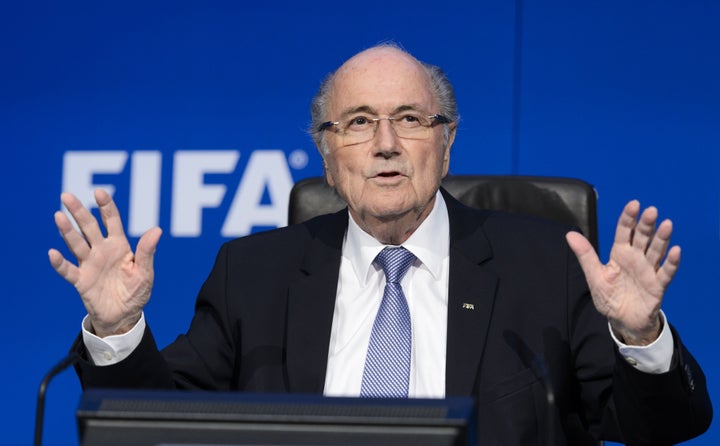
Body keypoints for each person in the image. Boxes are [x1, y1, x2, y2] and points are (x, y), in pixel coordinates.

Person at [49, 44, 711, 445]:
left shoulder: (544, 269)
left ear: (447, 143)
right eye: (360, 123)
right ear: (328, 156)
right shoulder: (252, 275)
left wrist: (642, 336)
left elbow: (661, 427)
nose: (387, 143)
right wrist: (118, 329)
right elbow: (159, 425)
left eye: (411, 120)